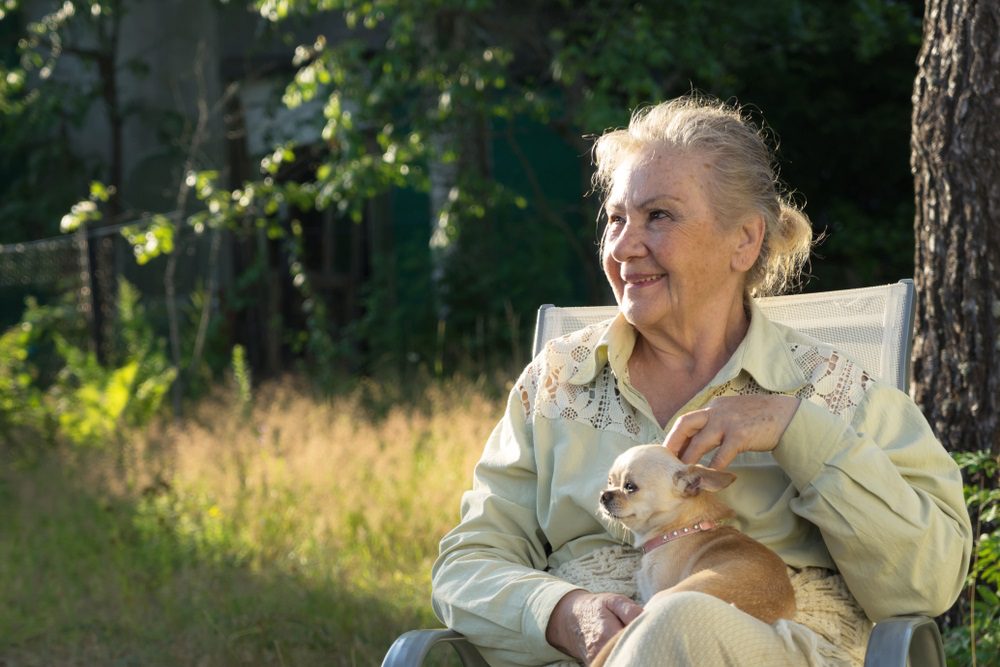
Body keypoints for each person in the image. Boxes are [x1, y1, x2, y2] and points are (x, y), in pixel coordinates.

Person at [430, 95, 972, 666]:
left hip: (761, 649)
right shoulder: (558, 383)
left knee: (680, 620)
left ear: (745, 240)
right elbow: (466, 568)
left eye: (658, 215)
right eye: (615, 218)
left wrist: (796, 429)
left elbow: (924, 586)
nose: (622, 245)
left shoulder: (832, 390)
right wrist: (561, 612)